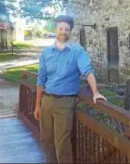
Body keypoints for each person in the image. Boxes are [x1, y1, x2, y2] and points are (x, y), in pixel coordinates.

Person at [34, 15, 106, 164]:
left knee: (62, 145)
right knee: (46, 140)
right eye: (61, 28)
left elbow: (87, 70)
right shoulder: (46, 53)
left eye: (66, 29)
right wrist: (37, 105)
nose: (63, 31)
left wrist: (95, 92)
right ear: (56, 29)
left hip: (65, 102)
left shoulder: (77, 51)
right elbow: (41, 80)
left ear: (70, 32)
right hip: (46, 101)